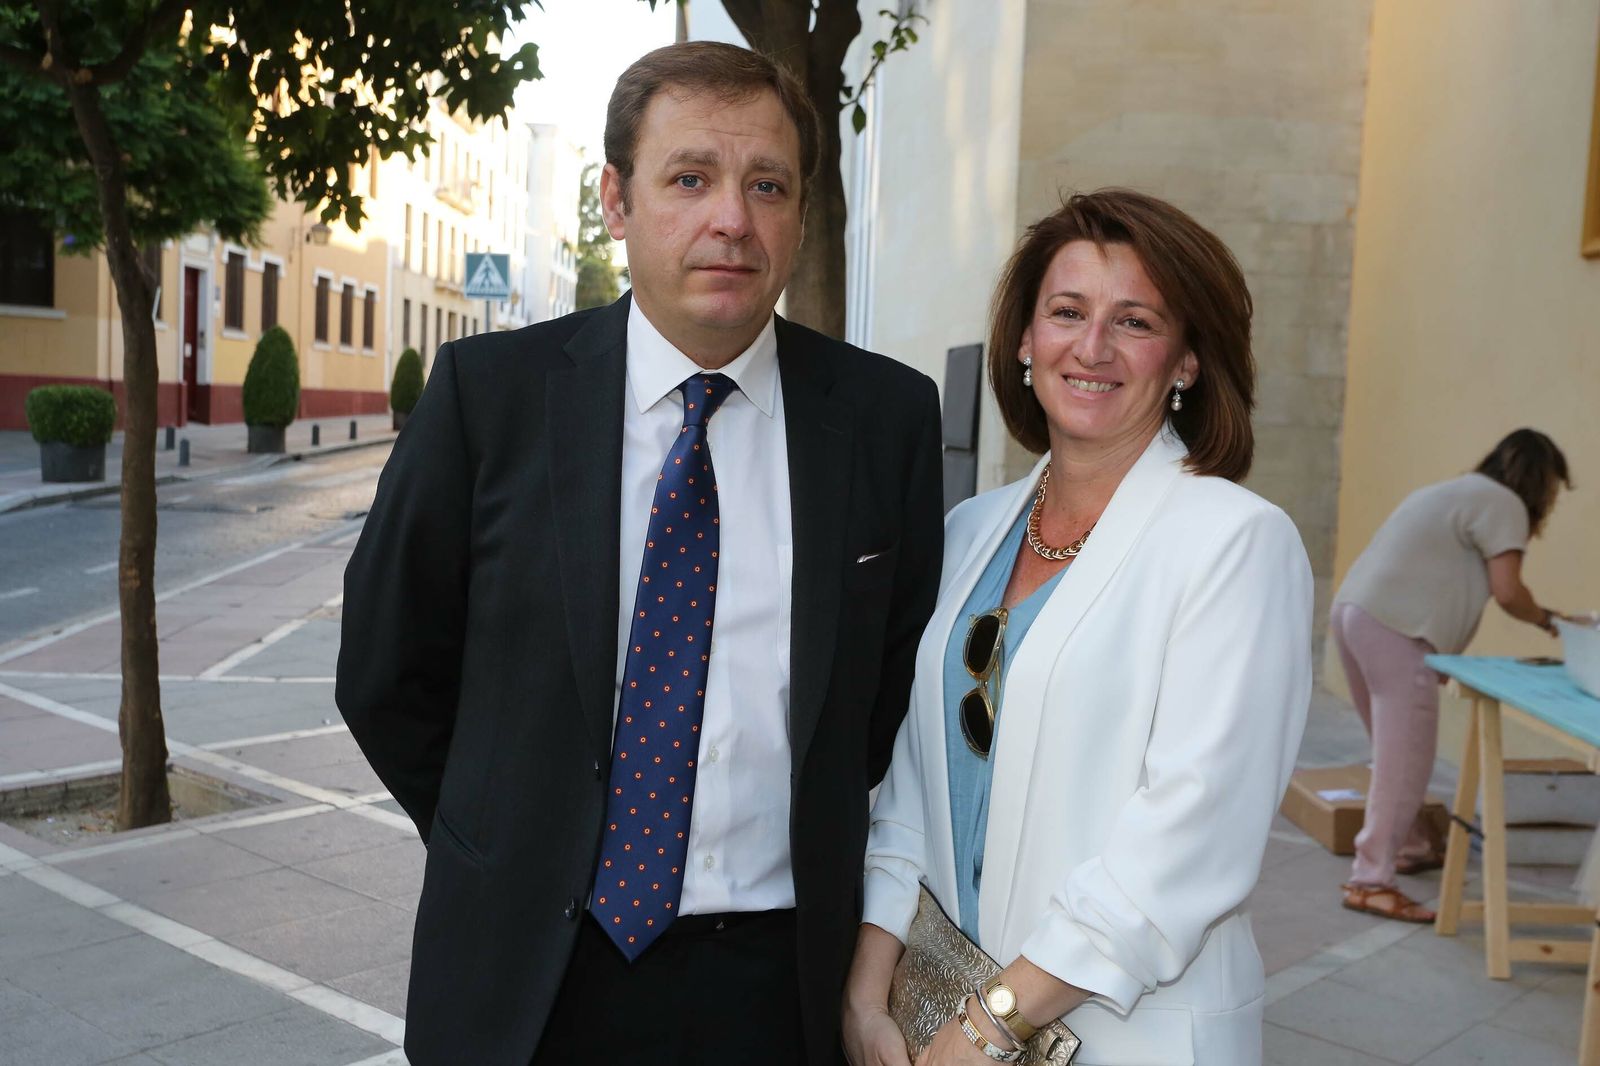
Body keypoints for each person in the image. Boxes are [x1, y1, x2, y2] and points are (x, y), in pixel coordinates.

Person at [336, 42, 945, 1066]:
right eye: (690, 179)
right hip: (529, 982)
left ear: (800, 213)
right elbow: (386, 669)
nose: (732, 219)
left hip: (779, 986)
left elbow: (885, 696)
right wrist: (508, 842)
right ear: (616, 201)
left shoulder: (886, 420)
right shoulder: (490, 398)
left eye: (767, 186)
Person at [841, 189, 1313, 1066]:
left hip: (1127, 1036)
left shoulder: (1236, 543)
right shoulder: (969, 531)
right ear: (1025, 340)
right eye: (1066, 312)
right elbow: (911, 788)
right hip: (936, 1020)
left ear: (1186, 360)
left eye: (1135, 321)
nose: (1092, 348)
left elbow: (1190, 839)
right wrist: (868, 992)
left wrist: (990, 1027)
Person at [1331, 428, 1571, 923]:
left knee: (1394, 756)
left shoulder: (1455, 491)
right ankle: (1371, 881)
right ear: (1538, 478)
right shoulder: (1504, 503)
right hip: (1398, 630)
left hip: (1356, 613)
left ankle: (1410, 846)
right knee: (1406, 762)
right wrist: (1552, 621)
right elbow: (1508, 592)